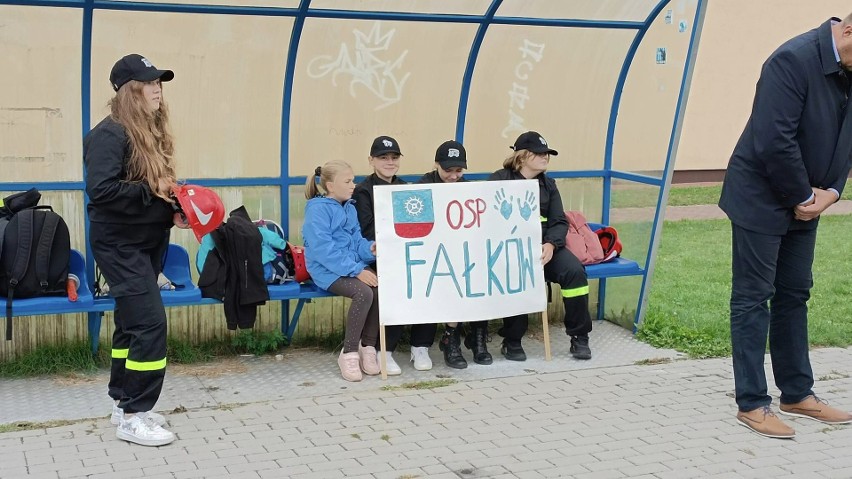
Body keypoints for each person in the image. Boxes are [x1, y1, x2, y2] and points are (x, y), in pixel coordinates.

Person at [719, 14, 852, 439]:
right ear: (849, 32)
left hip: (807, 199)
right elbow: (773, 138)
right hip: (761, 197)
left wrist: (831, 191)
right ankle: (752, 403)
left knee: (795, 293)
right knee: (753, 297)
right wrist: (803, 197)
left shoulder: (847, 66)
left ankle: (797, 393)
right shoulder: (791, 60)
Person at [84, 54, 185, 446]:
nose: (157, 88)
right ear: (130, 91)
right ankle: (135, 414)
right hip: (119, 244)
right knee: (149, 325)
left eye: (160, 81)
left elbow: (148, 192)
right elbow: (102, 190)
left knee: (129, 324)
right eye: (149, 82)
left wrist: (171, 209)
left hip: (147, 241)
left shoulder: (148, 132)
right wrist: (152, 193)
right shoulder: (109, 134)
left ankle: (121, 402)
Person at [488, 131, 593, 361]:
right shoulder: (500, 179)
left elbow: (558, 222)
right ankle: (512, 340)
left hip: (546, 248)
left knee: (574, 273)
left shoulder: (549, 184)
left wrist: (551, 245)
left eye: (547, 153)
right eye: (540, 153)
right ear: (522, 156)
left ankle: (580, 337)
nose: (545, 157)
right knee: (515, 275)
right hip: (511, 248)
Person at [353, 136, 436, 374]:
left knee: (429, 280)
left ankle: (421, 345)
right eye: (383, 157)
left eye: (394, 157)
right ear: (371, 160)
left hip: (407, 253)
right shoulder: (363, 192)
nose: (389, 161)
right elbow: (367, 231)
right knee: (396, 284)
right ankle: (384, 349)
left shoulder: (405, 188)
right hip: (378, 258)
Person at [303, 160, 381, 382]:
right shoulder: (317, 211)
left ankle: (368, 347)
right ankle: (349, 353)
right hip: (326, 271)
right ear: (329, 186)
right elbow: (323, 250)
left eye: (353, 180)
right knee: (364, 293)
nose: (353, 185)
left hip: (349, 266)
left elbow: (357, 241)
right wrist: (357, 270)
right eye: (347, 181)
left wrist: (370, 248)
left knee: (379, 288)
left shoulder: (350, 207)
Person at [416, 140, 491, 369]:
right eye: (448, 170)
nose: (453, 176)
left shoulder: (468, 189)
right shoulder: (422, 186)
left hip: (463, 253)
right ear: (436, 164)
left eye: (458, 171)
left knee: (482, 277)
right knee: (455, 279)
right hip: (434, 256)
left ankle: (477, 335)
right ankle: (451, 337)